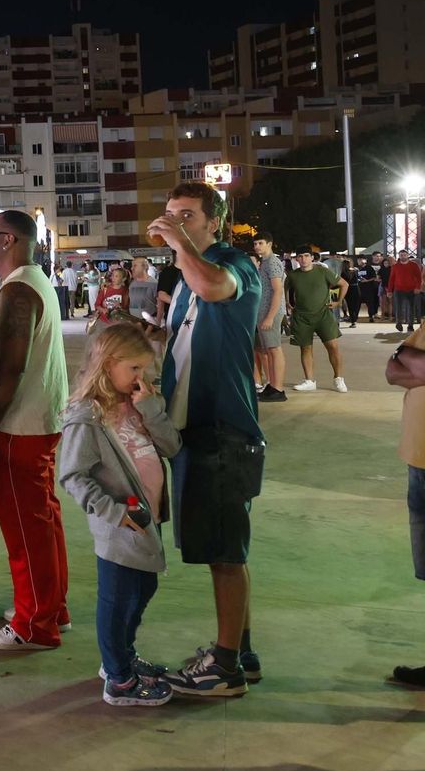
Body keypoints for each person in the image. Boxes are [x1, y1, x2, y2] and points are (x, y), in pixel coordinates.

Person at [147, 182, 263, 697]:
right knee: (224, 547)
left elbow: (217, 290)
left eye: (187, 215)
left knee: (224, 553)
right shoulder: (189, 271)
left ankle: (226, 668)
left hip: (222, 425)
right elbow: (186, 335)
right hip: (196, 426)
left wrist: (180, 245)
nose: (175, 223)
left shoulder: (230, 263)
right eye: (170, 214)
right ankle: (240, 649)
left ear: (214, 220)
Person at [57, 323, 182, 708]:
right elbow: (72, 475)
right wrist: (111, 511)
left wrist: (149, 408)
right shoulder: (87, 417)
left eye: (145, 370)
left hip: (147, 521)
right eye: (134, 369)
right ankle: (119, 680)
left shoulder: (140, 404)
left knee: (144, 589)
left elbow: (172, 447)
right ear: (109, 365)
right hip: (119, 526)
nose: (140, 378)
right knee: (117, 599)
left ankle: (123, 659)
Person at [0, 210, 71, 651]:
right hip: (37, 423)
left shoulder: (18, 292)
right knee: (43, 522)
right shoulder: (32, 283)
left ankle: (34, 625)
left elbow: (10, 369)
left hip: (18, 427)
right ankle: (51, 608)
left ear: (7, 239)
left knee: (25, 531)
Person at [384, 320, 425, 688]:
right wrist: (409, 357)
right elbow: (392, 369)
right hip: (419, 458)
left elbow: (410, 361)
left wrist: (410, 357)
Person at [286, 247, 348, 394]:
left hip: (323, 315)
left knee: (333, 347)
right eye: (300, 257)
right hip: (302, 317)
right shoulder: (293, 275)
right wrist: (288, 305)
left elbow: (343, 284)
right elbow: (284, 289)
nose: (303, 259)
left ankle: (338, 378)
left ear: (312, 257)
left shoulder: (323, 271)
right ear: (296, 259)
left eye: (306, 256)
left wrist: (338, 302)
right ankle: (309, 380)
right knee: (305, 348)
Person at [251, 235, 288, 403]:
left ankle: (278, 388)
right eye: (255, 243)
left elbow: (278, 290)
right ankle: (273, 386)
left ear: (270, 244)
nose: (257, 246)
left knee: (274, 349)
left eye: (260, 243)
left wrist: (270, 317)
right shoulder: (266, 262)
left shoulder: (272, 262)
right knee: (269, 350)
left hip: (269, 312)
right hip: (264, 311)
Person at [391, 251, 422, 333]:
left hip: (411, 290)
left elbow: (419, 277)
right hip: (398, 289)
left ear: (407, 256)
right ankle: (399, 323)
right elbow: (392, 278)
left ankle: (410, 325)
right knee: (399, 307)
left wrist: (418, 287)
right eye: (401, 255)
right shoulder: (395, 266)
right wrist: (390, 290)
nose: (403, 257)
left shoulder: (414, 265)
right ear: (399, 256)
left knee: (411, 307)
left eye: (404, 255)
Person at [126, 258, 159, 330]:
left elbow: (160, 304)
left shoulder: (154, 283)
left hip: (148, 323)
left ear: (144, 267)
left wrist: (157, 321)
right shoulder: (132, 283)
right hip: (133, 320)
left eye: (135, 266)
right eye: (132, 266)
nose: (132, 268)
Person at [357, 252, 383, 324]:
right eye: (358, 260)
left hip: (369, 288)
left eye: (361, 260)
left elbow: (374, 277)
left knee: (370, 302)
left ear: (365, 260)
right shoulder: (358, 269)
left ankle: (371, 316)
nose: (359, 261)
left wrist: (367, 280)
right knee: (358, 302)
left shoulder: (369, 268)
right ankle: (355, 316)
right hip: (360, 288)